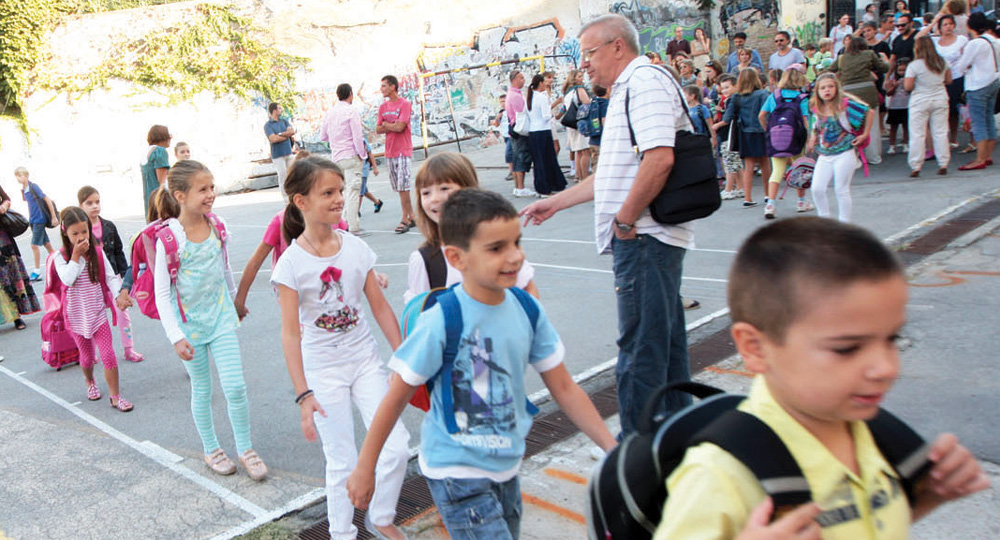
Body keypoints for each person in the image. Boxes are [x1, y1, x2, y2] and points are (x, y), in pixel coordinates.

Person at [652, 216, 990, 540]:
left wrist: (929, 496)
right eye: (847, 348)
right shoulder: (720, 475)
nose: (886, 368)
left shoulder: (874, 433)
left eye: (892, 339)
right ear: (755, 347)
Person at [347, 189, 616, 537]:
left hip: (507, 467)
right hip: (456, 473)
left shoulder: (527, 309)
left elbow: (564, 387)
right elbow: (395, 397)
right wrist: (365, 467)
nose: (515, 256)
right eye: (496, 248)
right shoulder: (442, 319)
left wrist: (611, 448)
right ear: (456, 258)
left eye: (516, 242)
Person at [520, 14, 696, 436]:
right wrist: (557, 202)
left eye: (590, 53)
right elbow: (613, 174)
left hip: (645, 239)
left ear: (618, 47)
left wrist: (625, 220)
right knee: (665, 347)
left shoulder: (644, 83)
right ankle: (678, 440)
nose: (584, 63)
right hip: (645, 237)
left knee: (640, 352)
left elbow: (659, 159)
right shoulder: (628, 89)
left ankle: (636, 451)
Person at [272, 156, 410, 540]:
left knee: (397, 446)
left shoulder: (356, 249)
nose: (338, 199)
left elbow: (380, 307)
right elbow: (290, 334)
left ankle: (380, 516)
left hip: (365, 362)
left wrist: (404, 359)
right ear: (301, 201)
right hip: (323, 371)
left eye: (340, 190)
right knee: (342, 461)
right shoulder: (290, 264)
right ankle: (341, 534)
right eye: (328, 193)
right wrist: (304, 393)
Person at [153, 160, 268, 481]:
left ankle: (245, 449)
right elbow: (162, 294)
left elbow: (224, 267)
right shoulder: (169, 239)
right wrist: (175, 336)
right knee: (202, 390)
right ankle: (211, 448)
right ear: (180, 196)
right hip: (189, 328)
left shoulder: (217, 226)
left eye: (212, 187)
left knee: (236, 387)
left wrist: (235, 301)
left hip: (220, 320)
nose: (210, 194)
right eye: (202, 189)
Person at [406, 152, 539, 304]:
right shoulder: (426, 260)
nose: (435, 198)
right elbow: (418, 311)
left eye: (444, 188)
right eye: (426, 193)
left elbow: (527, 287)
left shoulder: (495, 241)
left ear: (469, 189)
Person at [54, 207, 131, 411]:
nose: (81, 237)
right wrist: (76, 256)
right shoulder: (60, 257)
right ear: (65, 232)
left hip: (97, 313)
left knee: (108, 355)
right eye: (75, 233)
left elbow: (110, 277)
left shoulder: (96, 252)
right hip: (77, 317)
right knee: (87, 358)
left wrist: (119, 295)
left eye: (84, 231)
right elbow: (67, 279)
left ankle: (115, 397)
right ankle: (90, 381)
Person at [78, 186, 144, 363]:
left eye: (97, 202)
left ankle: (129, 348)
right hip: (92, 281)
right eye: (89, 203)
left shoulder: (108, 226)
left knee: (123, 313)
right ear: (81, 205)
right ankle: (91, 353)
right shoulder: (80, 230)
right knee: (92, 318)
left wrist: (125, 278)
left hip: (113, 277)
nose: (95, 206)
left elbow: (118, 251)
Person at [805, 73, 874, 223]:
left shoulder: (844, 105)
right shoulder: (816, 109)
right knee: (817, 188)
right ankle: (824, 220)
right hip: (825, 154)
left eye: (831, 86)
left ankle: (844, 223)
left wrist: (865, 134)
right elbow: (815, 126)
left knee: (841, 189)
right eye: (823, 88)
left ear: (837, 88)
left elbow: (869, 111)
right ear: (817, 91)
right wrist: (812, 138)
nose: (827, 90)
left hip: (845, 152)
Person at [757, 68, 813, 220]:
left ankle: (770, 204)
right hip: (796, 138)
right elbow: (805, 120)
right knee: (800, 169)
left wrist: (768, 129)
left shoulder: (774, 96)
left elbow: (761, 115)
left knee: (777, 171)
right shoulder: (802, 98)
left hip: (776, 138)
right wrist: (808, 138)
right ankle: (801, 202)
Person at [830, 36, 890, 165]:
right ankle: (873, 157)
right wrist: (886, 60)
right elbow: (884, 68)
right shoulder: (869, 54)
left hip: (848, 94)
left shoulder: (842, 58)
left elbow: (828, 70)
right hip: (868, 92)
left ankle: (854, 158)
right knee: (872, 126)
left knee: (851, 126)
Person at [319, 83, 369, 235]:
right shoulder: (351, 111)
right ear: (350, 94)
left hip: (336, 158)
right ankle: (353, 226)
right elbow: (357, 136)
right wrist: (362, 154)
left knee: (342, 192)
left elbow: (323, 136)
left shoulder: (330, 113)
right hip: (351, 155)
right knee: (353, 191)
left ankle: (344, 224)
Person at [952, 12, 1000, 170]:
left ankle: (980, 158)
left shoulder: (975, 43)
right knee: (988, 119)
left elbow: (961, 66)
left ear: (970, 26)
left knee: (978, 122)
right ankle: (987, 155)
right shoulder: (994, 40)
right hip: (993, 81)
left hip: (977, 84)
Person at [720, 68, 771, 208]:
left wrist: (717, 125)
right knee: (765, 163)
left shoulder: (737, 97)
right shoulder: (763, 94)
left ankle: (748, 198)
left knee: (748, 166)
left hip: (745, 132)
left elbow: (727, 117)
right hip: (761, 131)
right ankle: (768, 195)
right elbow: (767, 112)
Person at [905, 36, 952, 176]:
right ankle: (943, 162)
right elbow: (949, 80)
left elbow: (908, 86)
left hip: (920, 100)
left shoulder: (914, 65)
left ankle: (916, 165)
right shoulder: (942, 62)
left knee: (917, 134)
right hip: (940, 98)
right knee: (940, 132)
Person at [919, 14, 968, 146]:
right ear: (940, 27)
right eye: (945, 24)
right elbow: (919, 38)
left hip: (957, 77)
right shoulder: (935, 41)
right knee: (939, 110)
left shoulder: (961, 40)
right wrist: (933, 22)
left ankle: (953, 137)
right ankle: (941, 138)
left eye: (950, 24)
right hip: (939, 78)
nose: (948, 27)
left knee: (953, 109)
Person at [376, 75, 417, 233]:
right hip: (390, 151)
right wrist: (391, 125)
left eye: (384, 86)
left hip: (403, 150)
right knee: (400, 188)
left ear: (393, 86)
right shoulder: (383, 107)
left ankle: (405, 218)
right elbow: (378, 128)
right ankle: (412, 215)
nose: (382, 89)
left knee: (403, 185)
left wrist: (387, 124)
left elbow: (400, 127)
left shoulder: (405, 104)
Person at [0, 185, 40, 330]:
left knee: (12, 276)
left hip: (3, 240)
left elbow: (6, 199)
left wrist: (4, 206)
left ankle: (17, 317)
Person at [526, 74, 568, 197]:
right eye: (544, 82)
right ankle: (550, 186)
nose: (546, 84)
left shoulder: (529, 97)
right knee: (548, 159)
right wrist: (552, 115)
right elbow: (546, 116)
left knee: (539, 161)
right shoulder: (542, 97)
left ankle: (542, 186)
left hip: (533, 131)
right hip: (543, 130)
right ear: (540, 83)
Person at [14, 166, 57, 281]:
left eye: (20, 175)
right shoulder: (24, 189)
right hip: (33, 220)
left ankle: (37, 271)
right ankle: (59, 263)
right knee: (47, 244)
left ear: (26, 176)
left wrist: (53, 217)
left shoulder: (33, 187)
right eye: (17, 176)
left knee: (34, 245)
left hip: (39, 220)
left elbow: (47, 199)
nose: (18, 178)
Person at [505, 70, 536, 198]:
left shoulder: (513, 93)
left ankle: (518, 187)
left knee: (518, 158)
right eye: (521, 78)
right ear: (514, 80)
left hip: (515, 129)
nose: (523, 80)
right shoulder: (515, 95)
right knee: (521, 158)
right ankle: (520, 187)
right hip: (520, 129)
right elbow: (522, 113)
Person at [714, 74, 744, 200]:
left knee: (729, 163)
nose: (724, 90)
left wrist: (715, 126)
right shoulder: (733, 99)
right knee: (736, 163)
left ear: (735, 86)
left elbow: (727, 119)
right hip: (733, 135)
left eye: (727, 87)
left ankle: (729, 189)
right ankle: (740, 187)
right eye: (723, 88)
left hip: (729, 135)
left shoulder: (732, 100)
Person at [562, 70, 593, 183]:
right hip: (581, 123)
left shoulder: (567, 92)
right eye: (579, 76)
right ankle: (584, 177)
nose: (582, 78)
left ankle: (578, 176)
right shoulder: (579, 89)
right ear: (574, 78)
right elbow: (587, 103)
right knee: (586, 151)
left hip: (571, 125)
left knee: (578, 152)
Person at [264, 103, 296, 203]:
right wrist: (285, 136)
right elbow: (273, 138)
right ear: (274, 111)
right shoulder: (268, 125)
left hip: (288, 152)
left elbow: (292, 132)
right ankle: (287, 200)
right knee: (282, 176)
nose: (281, 110)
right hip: (278, 155)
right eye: (279, 108)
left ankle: (294, 196)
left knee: (292, 175)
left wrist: (280, 134)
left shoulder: (284, 121)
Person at [141, 125, 171, 221]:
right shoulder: (160, 151)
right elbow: (162, 181)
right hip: (159, 199)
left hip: (149, 198)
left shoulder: (147, 152)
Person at [884, 58, 912, 155]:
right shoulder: (893, 80)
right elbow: (888, 93)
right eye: (900, 70)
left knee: (906, 126)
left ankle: (906, 144)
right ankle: (892, 146)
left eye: (904, 70)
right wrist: (894, 86)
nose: (902, 72)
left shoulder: (910, 80)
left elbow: (911, 90)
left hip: (906, 105)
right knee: (893, 127)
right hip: (894, 106)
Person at [491, 94, 514, 181]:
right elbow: (496, 125)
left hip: (511, 135)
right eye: (501, 102)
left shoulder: (511, 111)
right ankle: (515, 170)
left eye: (504, 101)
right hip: (505, 135)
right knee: (512, 154)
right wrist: (497, 118)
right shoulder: (501, 112)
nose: (503, 104)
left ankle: (512, 172)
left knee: (509, 154)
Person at [359, 138, 384, 215]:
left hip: (363, 169)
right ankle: (377, 202)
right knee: (364, 190)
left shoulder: (362, 140)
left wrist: (375, 168)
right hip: (355, 170)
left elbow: (370, 154)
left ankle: (356, 211)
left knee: (360, 192)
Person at [588, 85, 610, 168]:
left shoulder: (593, 102)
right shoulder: (604, 104)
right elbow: (605, 121)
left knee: (595, 165)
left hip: (593, 139)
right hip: (601, 141)